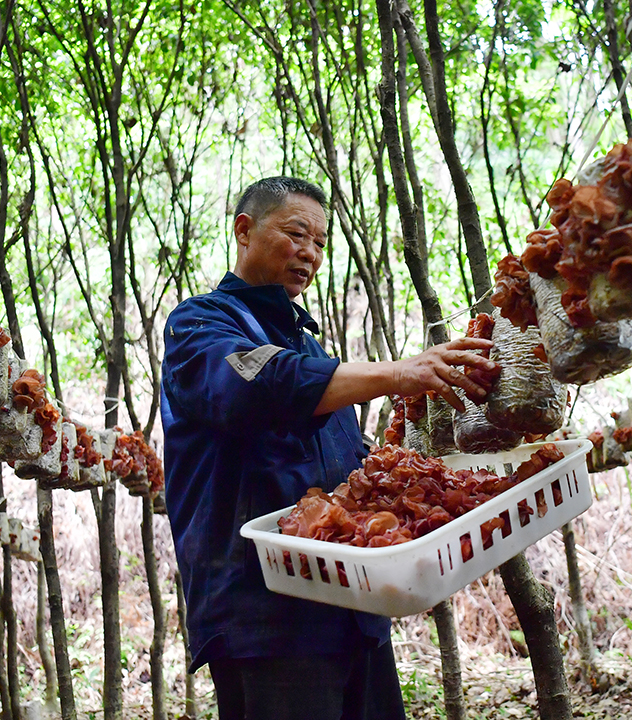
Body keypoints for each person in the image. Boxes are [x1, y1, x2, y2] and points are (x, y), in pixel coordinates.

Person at [161, 176, 493, 720]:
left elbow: (346, 468)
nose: (310, 253)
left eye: (319, 242)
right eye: (296, 234)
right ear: (244, 231)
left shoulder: (307, 344)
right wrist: (397, 374)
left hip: (354, 607)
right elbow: (257, 386)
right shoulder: (199, 326)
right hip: (267, 618)